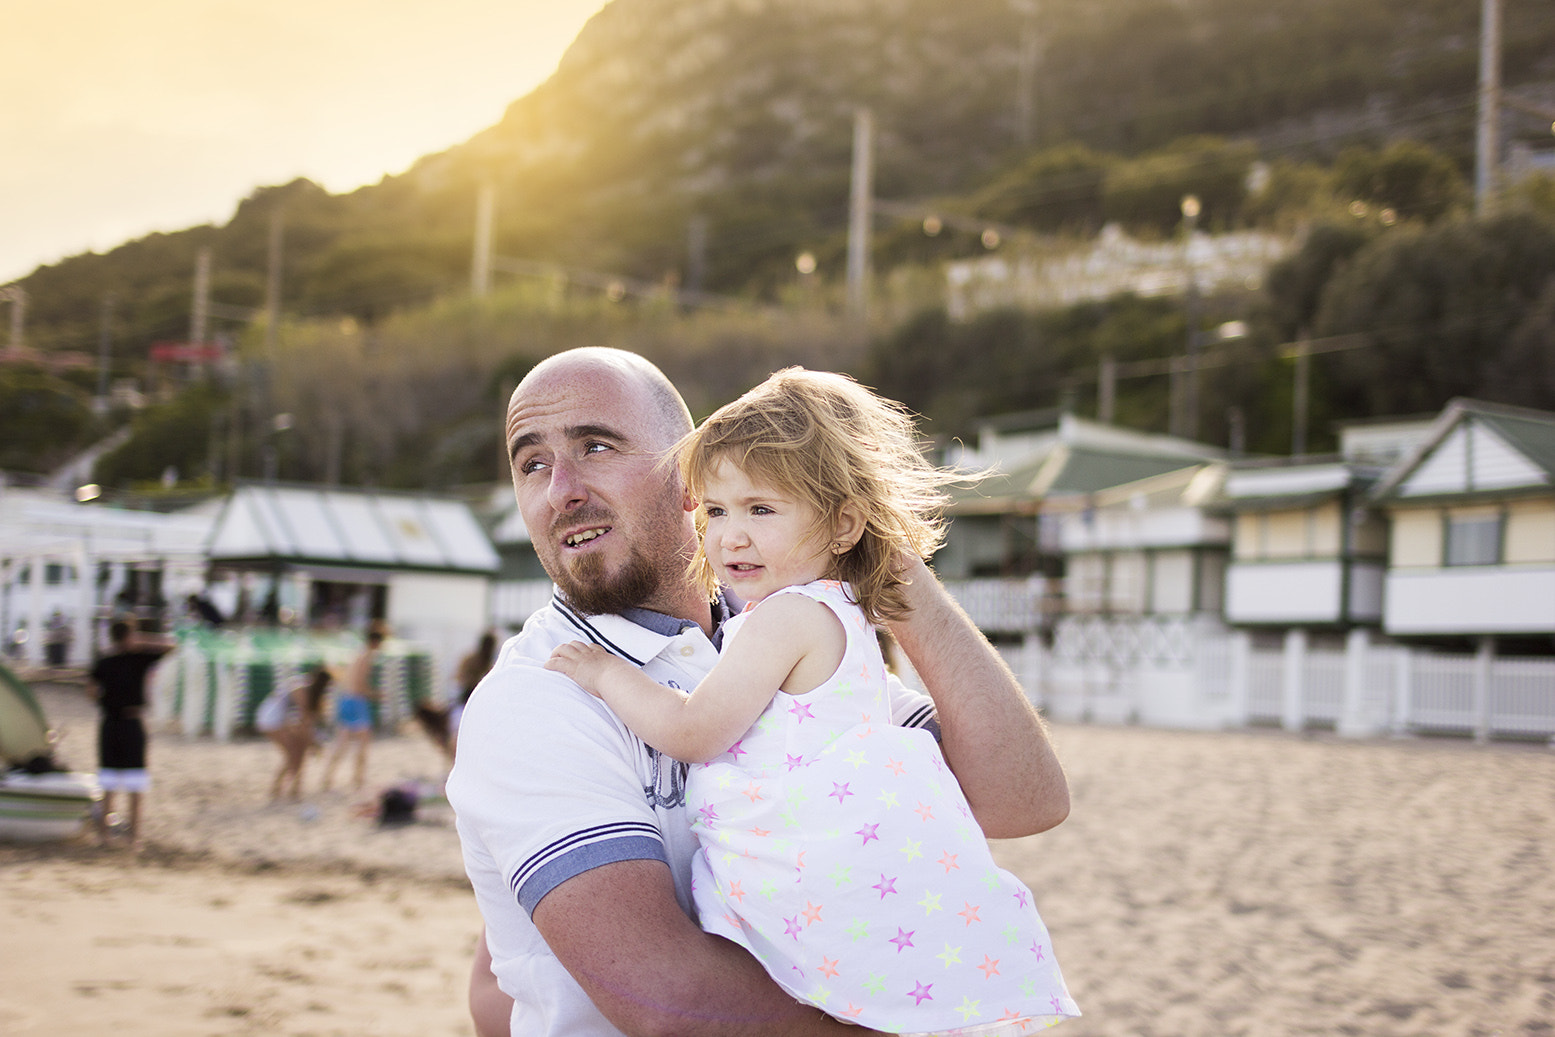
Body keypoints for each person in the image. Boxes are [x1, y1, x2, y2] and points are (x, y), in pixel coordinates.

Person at [447, 348, 1070, 1037]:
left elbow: (1021, 798)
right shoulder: (540, 694)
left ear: (690, 470)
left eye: (595, 445)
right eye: (531, 463)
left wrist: (877, 553)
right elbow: (664, 997)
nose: (560, 488)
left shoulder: (779, 639)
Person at [88, 618, 173, 848]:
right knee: (126, 782)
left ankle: (110, 836)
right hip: (129, 721)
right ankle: (130, 836)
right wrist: (142, 641)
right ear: (128, 635)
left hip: (112, 722)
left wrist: (106, 701)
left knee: (113, 781)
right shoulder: (138, 657)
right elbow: (171, 645)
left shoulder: (108, 660)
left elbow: (92, 690)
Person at [322, 624, 385, 792]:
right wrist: (377, 695)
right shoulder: (366, 657)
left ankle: (327, 778)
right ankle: (358, 780)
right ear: (377, 642)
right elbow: (360, 685)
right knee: (363, 744)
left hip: (345, 700)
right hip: (357, 702)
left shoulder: (356, 654)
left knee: (342, 743)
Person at [256, 665, 332, 801]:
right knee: (294, 753)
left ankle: (292, 789)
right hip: (271, 718)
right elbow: (305, 719)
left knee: (298, 752)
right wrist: (313, 742)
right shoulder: (301, 688)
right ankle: (281, 789)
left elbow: (306, 721)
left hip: (280, 718)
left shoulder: (309, 691)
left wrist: (311, 741)